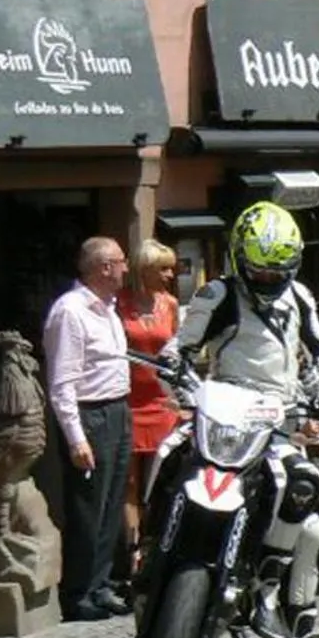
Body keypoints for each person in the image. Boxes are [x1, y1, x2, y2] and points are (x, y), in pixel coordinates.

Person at [175, 202, 319, 638]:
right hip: (221, 411)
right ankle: (152, 550)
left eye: (278, 271)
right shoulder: (218, 294)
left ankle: (273, 598)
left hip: (276, 419)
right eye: (259, 270)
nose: (269, 280)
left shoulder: (300, 297)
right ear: (239, 257)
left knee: (306, 492)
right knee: (172, 460)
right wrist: (183, 383)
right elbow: (180, 350)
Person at [44, 237, 134, 623]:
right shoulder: (71, 312)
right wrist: (76, 437)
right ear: (102, 268)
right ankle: (78, 592)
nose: (126, 268)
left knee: (111, 502)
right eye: (120, 261)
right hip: (90, 414)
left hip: (117, 409)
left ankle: (99, 585)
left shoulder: (108, 309)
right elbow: (63, 383)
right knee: (87, 507)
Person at [117, 239, 181, 577]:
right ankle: (132, 553)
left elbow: (179, 354)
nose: (170, 275)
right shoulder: (120, 304)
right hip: (128, 402)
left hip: (161, 402)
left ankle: (156, 547)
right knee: (129, 483)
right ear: (145, 270)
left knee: (159, 482)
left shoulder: (169, 305)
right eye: (163, 269)